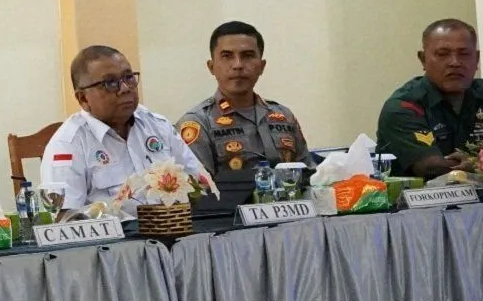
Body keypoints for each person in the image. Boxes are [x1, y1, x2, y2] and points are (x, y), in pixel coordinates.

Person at [40, 45, 206, 211]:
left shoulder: (157, 126)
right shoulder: (67, 145)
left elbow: (199, 183)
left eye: (129, 77)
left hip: (172, 224)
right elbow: (66, 218)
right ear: (83, 98)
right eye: (110, 83)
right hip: (116, 229)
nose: (125, 88)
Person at [376, 19, 483, 179]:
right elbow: (430, 168)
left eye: (464, 54)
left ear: (477, 59)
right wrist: (482, 163)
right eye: (442, 54)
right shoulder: (403, 106)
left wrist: (475, 163)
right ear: (423, 59)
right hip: (421, 194)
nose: (455, 62)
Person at [176, 21, 313, 178]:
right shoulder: (198, 123)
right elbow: (200, 188)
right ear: (211, 67)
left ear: (262, 66)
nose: (238, 65)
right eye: (227, 56)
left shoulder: (283, 116)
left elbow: (310, 177)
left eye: (247, 56)